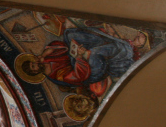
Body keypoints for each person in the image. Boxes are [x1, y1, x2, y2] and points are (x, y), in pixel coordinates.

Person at [21, 27, 149, 98]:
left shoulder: (45, 60)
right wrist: (80, 57)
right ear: (36, 72)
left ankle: (103, 43)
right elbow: (79, 76)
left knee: (69, 33)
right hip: (91, 72)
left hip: (76, 56)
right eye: (34, 67)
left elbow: (61, 46)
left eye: (33, 63)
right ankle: (127, 48)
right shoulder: (57, 76)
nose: (36, 64)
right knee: (94, 54)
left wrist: (44, 54)